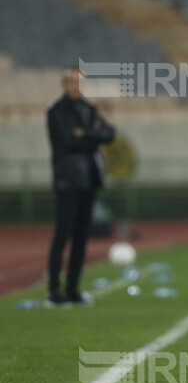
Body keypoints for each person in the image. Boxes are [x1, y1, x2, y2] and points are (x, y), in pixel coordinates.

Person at [46, 68, 116, 306]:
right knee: (62, 234)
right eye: (73, 81)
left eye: (81, 82)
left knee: (81, 236)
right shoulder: (57, 111)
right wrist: (92, 135)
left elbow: (110, 133)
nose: (77, 86)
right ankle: (54, 290)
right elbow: (67, 140)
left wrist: (85, 134)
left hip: (89, 178)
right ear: (64, 83)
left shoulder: (89, 109)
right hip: (68, 179)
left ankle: (73, 289)